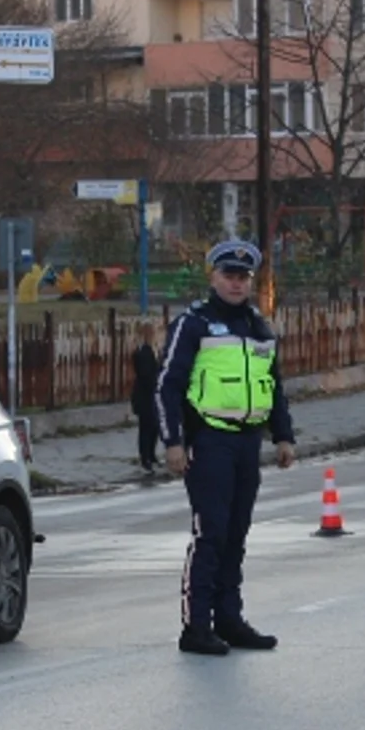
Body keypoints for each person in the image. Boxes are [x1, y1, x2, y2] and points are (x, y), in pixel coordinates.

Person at [156, 239, 297, 657]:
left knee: (237, 533)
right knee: (211, 532)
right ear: (213, 277)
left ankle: (229, 620)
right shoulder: (193, 324)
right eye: (228, 276)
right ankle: (196, 626)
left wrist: (283, 435)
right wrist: (174, 442)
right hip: (208, 441)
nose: (236, 284)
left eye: (243, 277)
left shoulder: (258, 325)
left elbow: (275, 386)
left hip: (247, 441)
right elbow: (167, 386)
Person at [130, 323, 161, 472]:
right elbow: (145, 376)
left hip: (155, 396)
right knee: (146, 428)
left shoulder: (155, 351)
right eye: (152, 333)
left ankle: (152, 454)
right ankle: (145, 458)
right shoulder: (142, 352)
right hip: (145, 396)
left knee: (155, 427)